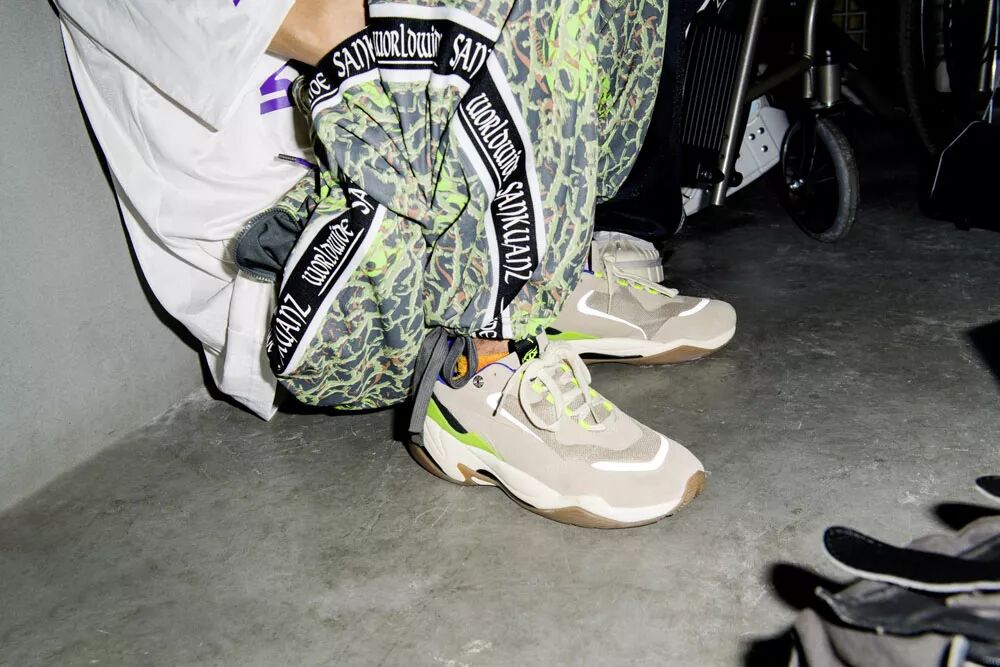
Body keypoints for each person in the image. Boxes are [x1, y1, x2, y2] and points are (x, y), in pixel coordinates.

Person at [56, 0, 736, 528]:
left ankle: (539, 275)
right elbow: (333, 28)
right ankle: (479, 362)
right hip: (310, 288)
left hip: (409, 219)